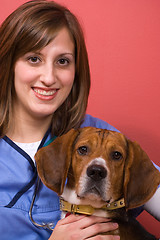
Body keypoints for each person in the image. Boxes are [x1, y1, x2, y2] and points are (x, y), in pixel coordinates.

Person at [0, 0, 159, 239]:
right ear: (8, 63)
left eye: (62, 61)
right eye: (34, 58)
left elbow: (150, 186)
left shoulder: (98, 133)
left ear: (76, 70)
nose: (49, 77)